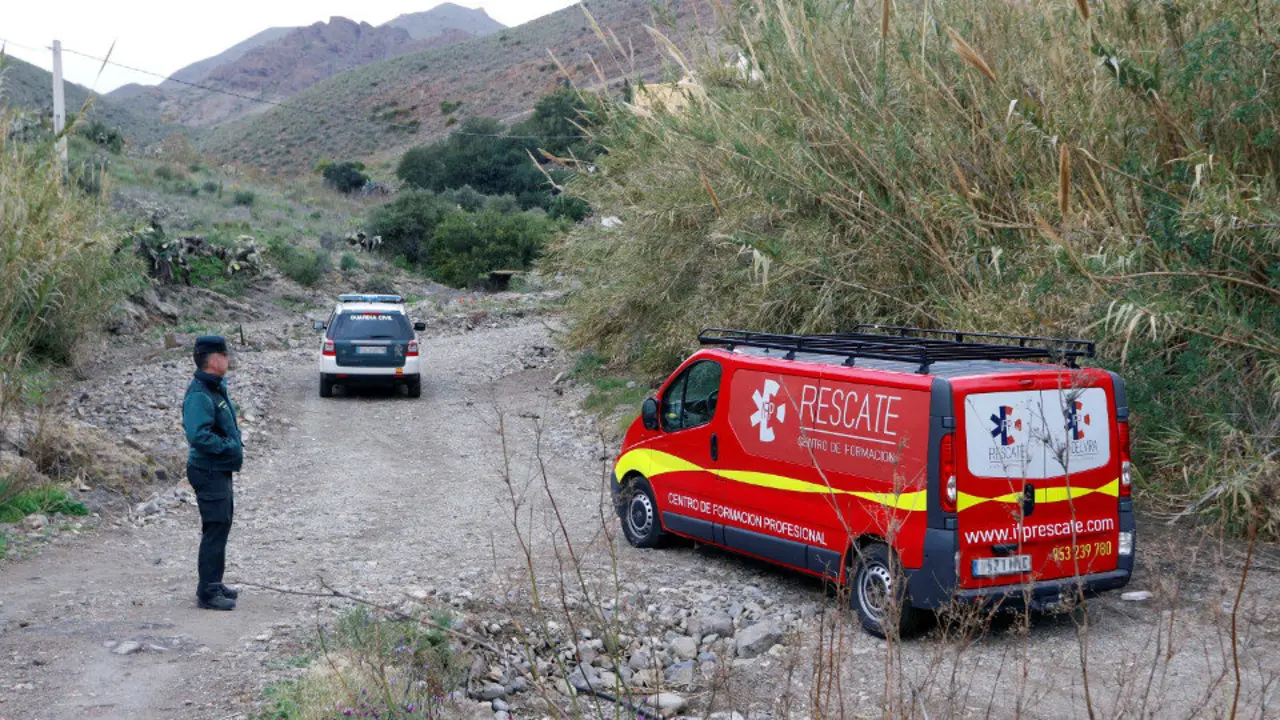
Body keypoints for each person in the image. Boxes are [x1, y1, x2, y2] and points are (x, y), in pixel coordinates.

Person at [182, 336, 243, 611]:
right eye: (225, 355)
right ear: (213, 360)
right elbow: (198, 435)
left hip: (218, 468)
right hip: (208, 470)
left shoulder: (213, 388)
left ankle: (214, 583)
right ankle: (208, 592)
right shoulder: (200, 393)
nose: (228, 360)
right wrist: (229, 446)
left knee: (221, 525)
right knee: (215, 529)